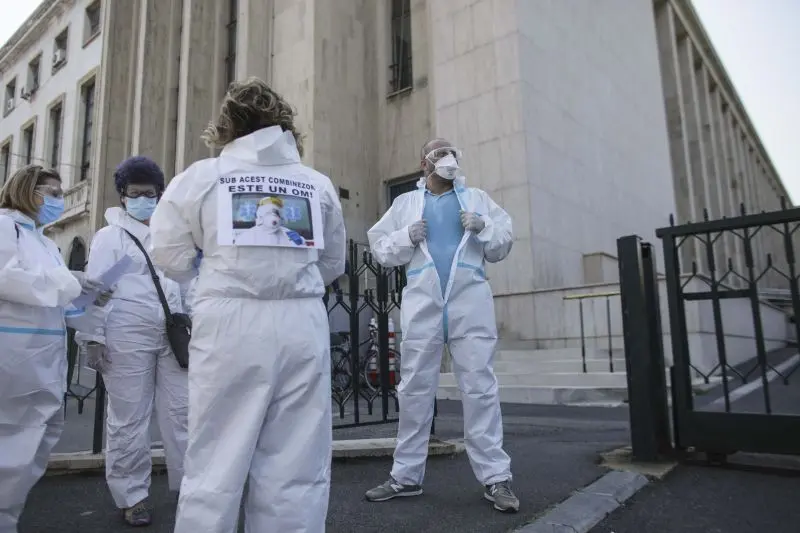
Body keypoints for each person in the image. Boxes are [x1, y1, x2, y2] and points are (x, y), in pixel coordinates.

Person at [148, 77, 346, 533]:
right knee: (296, 462)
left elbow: (170, 255)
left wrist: (209, 264)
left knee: (216, 457)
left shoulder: (201, 178)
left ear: (227, 126)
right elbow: (332, 262)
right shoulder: (316, 183)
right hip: (301, 321)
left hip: (229, 322)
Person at [364, 138, 519, 512]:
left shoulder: (477, 199)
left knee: (480, 388)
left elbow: (502, 243)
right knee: (415, 389)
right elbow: (380, 248)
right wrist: (405, 236)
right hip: (423, 304)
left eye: (449, 152)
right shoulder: (405, 205)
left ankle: (496, 478)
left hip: (470, 302)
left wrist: (483, 227)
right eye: (438, 153)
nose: (446, 157)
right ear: (425, 164)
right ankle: (405, 476)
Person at [74, 156, 189, 527]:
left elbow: (184, 282)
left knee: (183, 414)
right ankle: (131, 496)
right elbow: (95, 290)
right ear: (123, 196)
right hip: (125, 333)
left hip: (172, 333)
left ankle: (192, 488)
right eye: (136, 194)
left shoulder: (169, 233)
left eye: (150, 193)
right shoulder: (112, 237)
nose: (143, 199)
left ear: (160, 194)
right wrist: (92, 336)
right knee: (129, 419)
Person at [0, 165, 111, 533]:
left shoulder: (45, 241)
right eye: (50, 191)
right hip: (14, 352)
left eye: (60, 193)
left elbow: (59, 300)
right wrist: (69, 281)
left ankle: (8, 517)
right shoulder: (5, 227)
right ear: (25, 189)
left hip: (45, 356)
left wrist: (88, 299)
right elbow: (8, 279)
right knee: (11, 447)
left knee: (36, 441)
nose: (58, 200)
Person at [234, 196, 306, 246]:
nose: (273, 215)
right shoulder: (247, 236)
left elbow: (302, 259)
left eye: (276, 212)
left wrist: (301, 244)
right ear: (259, 214)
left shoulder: (288, 235)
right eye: (268, 212)